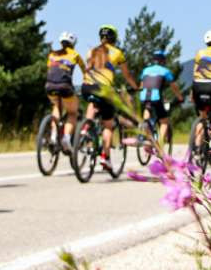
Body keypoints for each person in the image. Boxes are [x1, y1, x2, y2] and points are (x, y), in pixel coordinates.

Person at [82, 25, 138, 172]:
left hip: (86, 86)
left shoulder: (91, 50)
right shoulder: (118, 53)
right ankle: (105, 157)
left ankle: (86, 128)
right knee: (108, 125)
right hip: (104, 88)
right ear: (114, 38)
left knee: (92, 102)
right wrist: (136, 87)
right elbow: (126, 75)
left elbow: (88, 68)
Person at [43, 31, 86, 153]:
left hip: (49, 86)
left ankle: (53, 135)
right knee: (72, 112)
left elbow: (50, 69)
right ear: (74, 43)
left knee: (57, 106)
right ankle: (66, 138)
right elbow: (86, 72)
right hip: (65, 87)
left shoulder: (52, 54)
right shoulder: (75, 54)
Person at [138, 50, 184, 152]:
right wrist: (180, 97)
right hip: (156, 97)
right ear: (163, 61)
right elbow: (174, 87)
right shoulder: (165, 71)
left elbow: (141, 86)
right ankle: (159, 145)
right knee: (164, 122)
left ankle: (145, 129)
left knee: (147, 112)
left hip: (143, 97)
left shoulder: (145, 70)